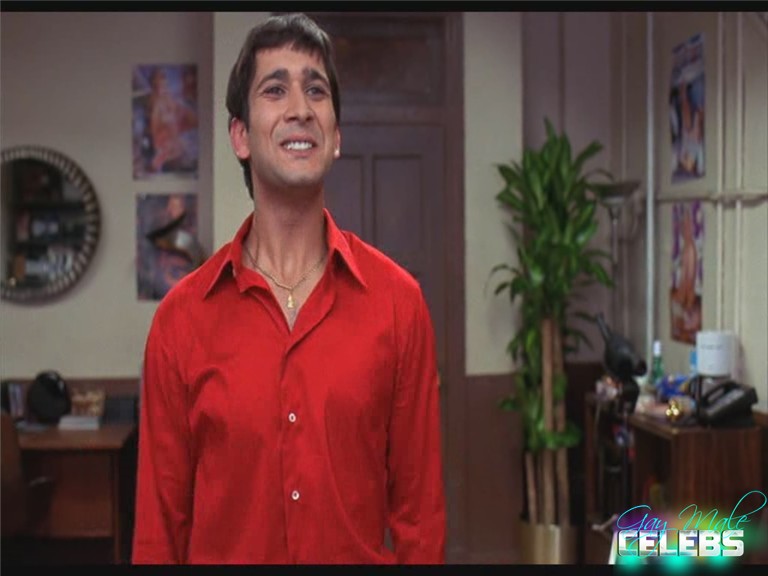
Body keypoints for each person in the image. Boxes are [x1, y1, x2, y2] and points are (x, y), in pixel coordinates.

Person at [132, 13, 445, 564]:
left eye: (316, 91)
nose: (300, 107)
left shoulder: (398, 304)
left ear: (336, 137)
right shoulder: (181, 321)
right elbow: (160, 532)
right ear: (240, 136)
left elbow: (420, 519)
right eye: (275, 90)